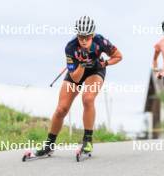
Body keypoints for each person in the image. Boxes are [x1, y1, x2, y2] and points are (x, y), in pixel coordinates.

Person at [36, 15, 122, 156]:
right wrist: (81, 63)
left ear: (92, 35)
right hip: (77, 72)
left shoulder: (100, 41)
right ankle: (49, 144)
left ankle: (87, 140)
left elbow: (118, 56)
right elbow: (75, 78)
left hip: (95, 70)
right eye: (81, 37)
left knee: (88, 99)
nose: (83, 41)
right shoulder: (70, 47)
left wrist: (105, 63)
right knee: (61, 109)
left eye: (87, 37)